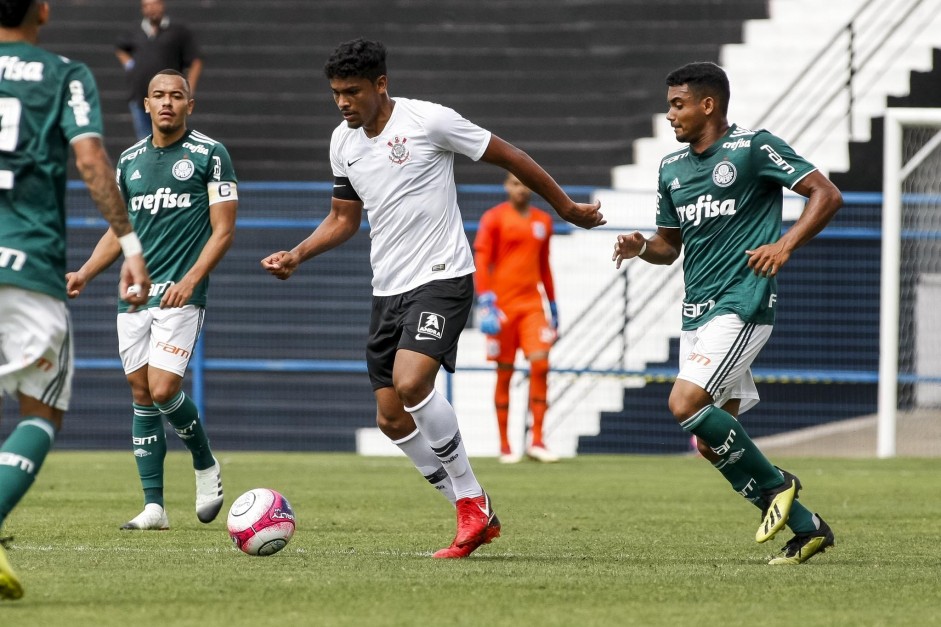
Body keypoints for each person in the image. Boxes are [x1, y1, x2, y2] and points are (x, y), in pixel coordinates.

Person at [262, 38, 604, 559]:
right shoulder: (343, 142)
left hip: (443, 276)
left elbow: (509, 154)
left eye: (352, 92)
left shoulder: (429, 121)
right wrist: (297, 254)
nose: (343, 103)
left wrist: (563, 207)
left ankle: (470, 500)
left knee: (412, 381)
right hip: (388, 289)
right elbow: (343, 219)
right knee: (391, 418)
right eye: (335, 93)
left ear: (381, 85)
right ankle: (475, 509)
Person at [612, 62, 842, 565]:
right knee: (710, 443)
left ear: (707, 105)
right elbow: (668, 247)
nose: (670, 113)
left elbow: (826, 194)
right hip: (697, 313)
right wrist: (639, 246)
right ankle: (808, 528)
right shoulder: (671, 169)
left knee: (684, 403)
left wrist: (785, 244)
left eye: (678, 104)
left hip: (743, 301)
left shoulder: (753, 148)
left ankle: (780, 482)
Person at [0, 0, 150, 600]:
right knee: (41, 411)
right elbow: (90, 161)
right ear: (44, 9)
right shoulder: (65, 74)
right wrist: (129, 243)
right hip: (27, 264)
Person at [66, 69, 237, 532]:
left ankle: (205, 464)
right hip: (135, 297)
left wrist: (192, 277)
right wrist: (84, 271)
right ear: (146, 104)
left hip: (181, 295)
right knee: (141, 394)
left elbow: (223, 230)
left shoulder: (210, 155)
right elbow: (118, 232)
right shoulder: (129, 161)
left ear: (189, 105)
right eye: (158, 96)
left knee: (163, 389)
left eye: (176, 96)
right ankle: (154, 508)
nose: (167, 103)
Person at [474, 173, 560, 464]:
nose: (520, 188)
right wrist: (485, 300)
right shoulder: (494, 218)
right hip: (503, 307)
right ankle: (505, 445)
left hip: (532, 306)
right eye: (514, 183)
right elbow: (482, 259)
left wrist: (553, 303)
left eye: (524, 183)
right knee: (505, 372)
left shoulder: (543, 221)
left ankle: (537, 439)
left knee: (541, 364)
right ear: (506, 186)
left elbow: (544, 265)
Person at [115, 0, 202, 140]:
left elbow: (195, 61)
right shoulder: (135, 30)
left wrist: (189, 87)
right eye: (146, 5)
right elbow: (120, 48)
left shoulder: (178, 31)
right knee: (145, 142)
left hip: (170, 99)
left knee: (172, 138)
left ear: (162, 5)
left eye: (154, 4)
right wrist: (130, 65)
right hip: (140, 98)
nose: (151, 8)